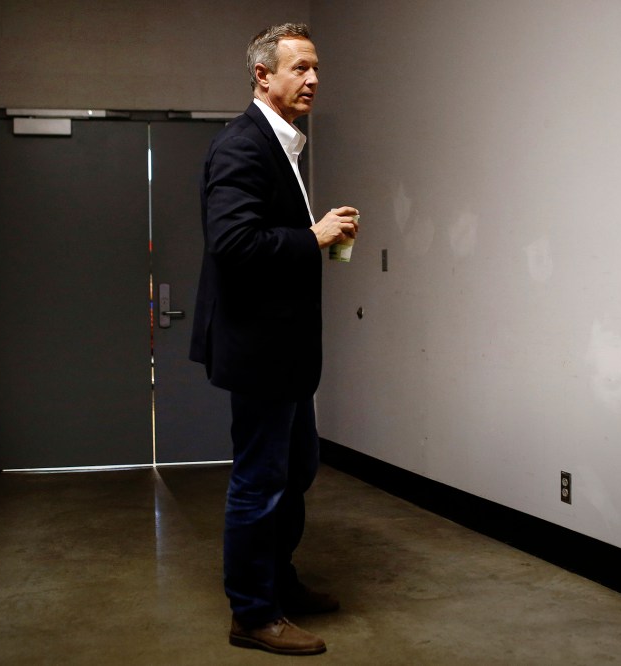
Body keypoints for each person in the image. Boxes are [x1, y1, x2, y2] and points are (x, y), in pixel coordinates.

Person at [189, 22, 360, 656]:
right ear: (264, 76)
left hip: (285, 353)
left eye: (316, 68)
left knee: (296, 468)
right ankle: (253, 613)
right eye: (300, 68)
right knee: (260, 480)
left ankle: (279, 582)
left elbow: (266, 237)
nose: (313, 79)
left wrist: (320, 236)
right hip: (260, 352)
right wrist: (311, 237)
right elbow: (232, 245)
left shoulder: (282, 144)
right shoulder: (242, 145)